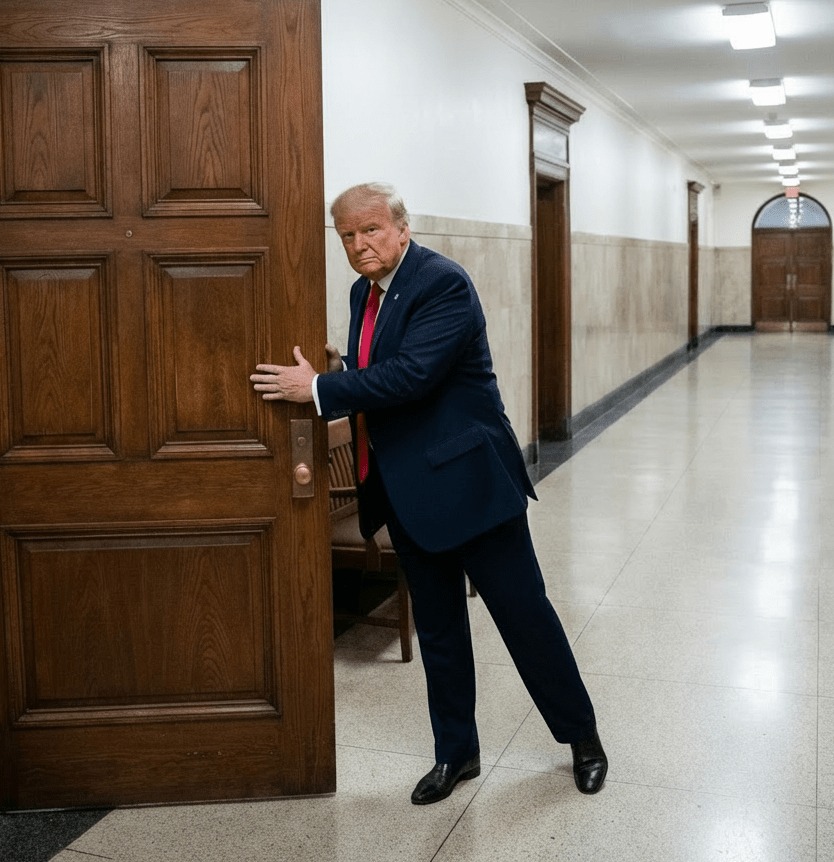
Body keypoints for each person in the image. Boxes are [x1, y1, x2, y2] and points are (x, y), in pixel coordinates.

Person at [250, 182, 607, 804]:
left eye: (370, 231)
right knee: (440, 632)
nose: (359, 245)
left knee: (525, 620)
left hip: (471, 487)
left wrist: (319, 391)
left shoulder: (443, 282)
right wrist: (337, 376)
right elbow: (377, 371)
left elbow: (413, 374)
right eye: (347, 236)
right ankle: (456, 754)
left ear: (402, 228)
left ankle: (583, 738)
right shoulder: (366, 292)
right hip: (407, 492)